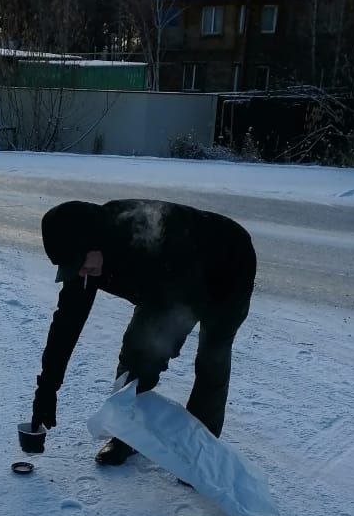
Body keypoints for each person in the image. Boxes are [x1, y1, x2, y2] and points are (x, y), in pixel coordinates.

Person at [30, 198, 257, 465]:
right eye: (73, 267)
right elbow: (67, 322)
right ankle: (128, 435)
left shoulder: (137, 236)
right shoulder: (86, 259)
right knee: (136, 356)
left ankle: (199, 451)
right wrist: (47, 388)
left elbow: (175, 309)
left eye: (81, 262)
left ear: (93, 242)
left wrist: (163, 342)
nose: (82, 272)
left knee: (212, 357)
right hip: (165, 281)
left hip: (229, 263)